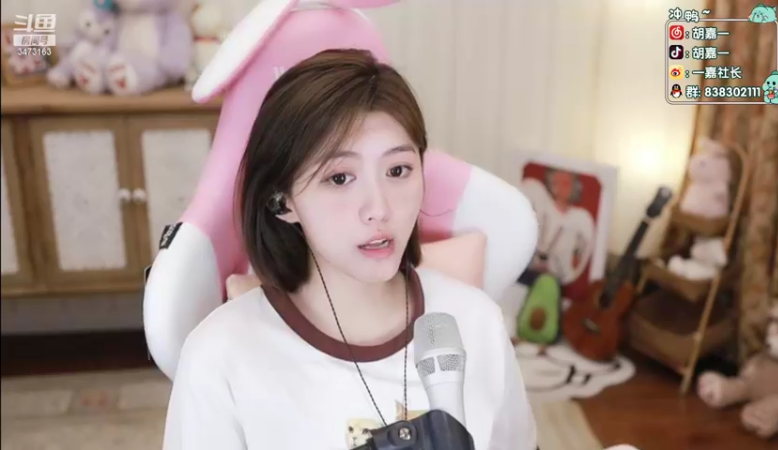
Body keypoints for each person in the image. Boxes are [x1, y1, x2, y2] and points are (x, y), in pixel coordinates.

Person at [162, 49, 536, 449]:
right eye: (340, 178)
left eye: (398, 170)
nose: (379, 208)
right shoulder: (220, 358)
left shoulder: (477, 323)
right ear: (282, 200)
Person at [527, 168, 595, 286]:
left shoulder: (581, 219)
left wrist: (570, 276)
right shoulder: (541, 204)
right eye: (555, 183)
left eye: (566, 184)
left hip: (556, 281)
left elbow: (584, 252)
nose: (560, 188)